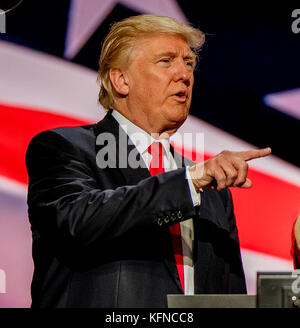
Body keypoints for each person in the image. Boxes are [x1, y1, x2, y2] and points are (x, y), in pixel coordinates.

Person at [26, 14, 271, 308]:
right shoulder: (63, 147)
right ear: (121, 80)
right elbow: (79, 221)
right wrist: (189, 182)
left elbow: (229, 297)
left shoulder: (213, 190)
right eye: (166, 61)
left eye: (189, 63)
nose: (184, 74)